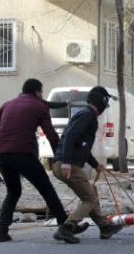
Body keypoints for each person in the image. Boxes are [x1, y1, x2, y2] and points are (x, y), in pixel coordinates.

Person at [0, 79, 80, 243]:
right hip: (23, 154)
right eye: (41, 93)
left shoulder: (8, 104)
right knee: (47, 190)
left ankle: (1, 232)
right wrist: (61, 158)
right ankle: (65, 227)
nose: (42, 96)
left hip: (2, 155)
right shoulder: (39, 106)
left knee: (13, 192)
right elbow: (51, 134)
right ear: (37, 92)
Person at [51, 86, 123, 243]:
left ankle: (105, 227)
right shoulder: (87, 116)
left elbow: (82, 147)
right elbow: (70, 136)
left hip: (65, 164)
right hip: (68, 165)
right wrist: (67, 162)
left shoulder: (86, 115)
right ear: (102, 102)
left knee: (89, 196)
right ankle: (67, 228)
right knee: (90, 199)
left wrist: (96, 165)